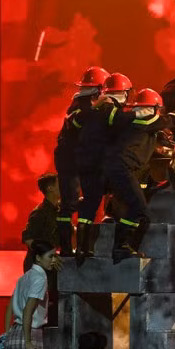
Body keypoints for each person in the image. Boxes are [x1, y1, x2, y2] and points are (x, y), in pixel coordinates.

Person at [103, 88, 175, 262]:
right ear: (153, 108)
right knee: (140, 209)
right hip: (123, 169)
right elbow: (172, 120)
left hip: (118, 169)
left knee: (137, 212)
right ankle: (120, 247)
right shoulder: (145, 119)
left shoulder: (130, 121)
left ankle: (127, 247)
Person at [73, 73, 135, 262]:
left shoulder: (92, 109)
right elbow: (120, 128)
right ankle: (120, 243)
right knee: (125, 197)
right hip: (101, 165)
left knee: (89, 206)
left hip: (85, 164)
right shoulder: (110, 109)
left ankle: (83, 248)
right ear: (124, 93)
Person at [54, 66, 110, 256]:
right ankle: (67, 249)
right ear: (101, 88)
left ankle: (85, 248)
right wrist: (96, 107)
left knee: (90, 201)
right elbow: (76, 122)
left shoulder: (96, 104)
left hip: (85, 158)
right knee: (69, 204)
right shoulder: (79, 103)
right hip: (69, 158)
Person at [21, 173, 63, 324]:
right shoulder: (40, 212)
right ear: (50, 188)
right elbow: (28, 238)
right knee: (37, 308)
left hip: (50, 267)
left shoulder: (59, 211)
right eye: (60, 184)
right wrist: (49, 256)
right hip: (37, 266)